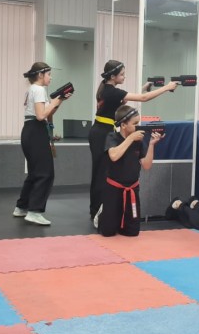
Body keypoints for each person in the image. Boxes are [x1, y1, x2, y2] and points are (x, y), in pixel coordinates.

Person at [89, 60, 178, 226]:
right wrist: (167, 88)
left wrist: (145, 87)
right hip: (102, 132)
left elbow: (130, 99)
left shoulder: (106, 89)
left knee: (100, 172)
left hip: (100, 130)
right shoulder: (111, 91)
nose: (124, 77)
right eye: (122, 74)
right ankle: (98, 212)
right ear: (113, 76)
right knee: (102, 174)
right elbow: (143, 98)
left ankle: (98, 210)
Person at [13, 62, 72, 226]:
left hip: (31, 131)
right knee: (45, 173)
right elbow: (40, 116)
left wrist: (60, 100)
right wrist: (55, 101)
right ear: (40, 75)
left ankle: (22, 207)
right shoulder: (38, 90)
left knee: (35, 173)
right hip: (35, 131)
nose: (50, 78)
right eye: (49, 74)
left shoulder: (33, 89)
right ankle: (34, 211)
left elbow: (47, 113)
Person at [97, 105, 163, 237]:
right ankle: (101, 215)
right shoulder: (112, 137)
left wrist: (151, 144)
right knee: (108, 232)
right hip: (113, 189)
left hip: (132, 189)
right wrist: (130, 138)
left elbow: (146, 165)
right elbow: (114, 156)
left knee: (132, 232)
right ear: (123, 125)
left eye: (138, 123)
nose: (138, 126)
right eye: (135, 123)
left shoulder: (139, 141)